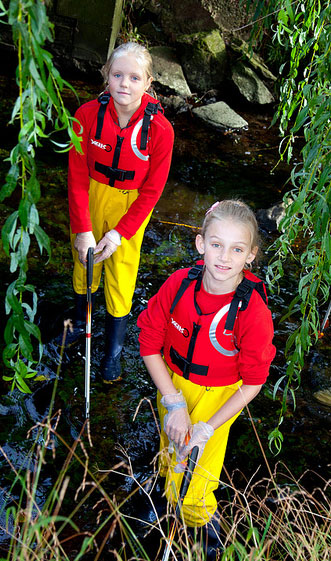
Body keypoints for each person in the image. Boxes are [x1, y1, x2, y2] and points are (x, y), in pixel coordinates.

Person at [137, 200, 276, 559]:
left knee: (197, 482)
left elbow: (254, 382)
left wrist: (208, 427)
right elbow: (149, 342)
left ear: (251, 255)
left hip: (219, 399)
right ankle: (167, 504)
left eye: (237, 249)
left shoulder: (253, 314)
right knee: (172, 455)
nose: (224, 257)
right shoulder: (179, 285)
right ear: (200, 244)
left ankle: (208, 544)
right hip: (173, 384)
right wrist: (172, 401)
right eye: (216, 244)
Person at [66, 41, 174, 383]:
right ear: (105, 77)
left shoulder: (160, 131)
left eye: (134, 77)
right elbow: (77, 177)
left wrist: (118, 232)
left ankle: (112, 351)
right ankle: (80, 324)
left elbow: (153, 191)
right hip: (92, 198)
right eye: (117, 75)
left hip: (131, 208)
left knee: (121, 274)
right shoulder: (86, 116)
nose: (124, 84)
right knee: (84, 260)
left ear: (148, 83)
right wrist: (84, 228)